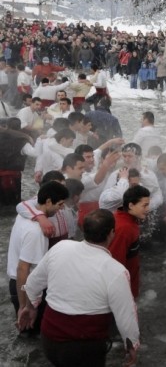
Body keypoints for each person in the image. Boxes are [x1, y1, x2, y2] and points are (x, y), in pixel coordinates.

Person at [18, 209, 139, 367]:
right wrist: (131, 345)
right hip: (84, 348)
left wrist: (30, 307)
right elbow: (126, 315)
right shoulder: (116, 270)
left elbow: (33, 282)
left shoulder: (61, 247)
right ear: (111, 233)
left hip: (49, 341)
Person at [6, 181, 69, 333]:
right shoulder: (36, 231)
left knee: (28, 335)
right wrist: (26, 306)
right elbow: (23, 269)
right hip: (24, 288)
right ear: (48, 201)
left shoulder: (26, 215)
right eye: (60, 205)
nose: (62, 209)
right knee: (33, 333)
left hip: (19, 286)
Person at [109, 185, 150, 298]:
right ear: (131, 205)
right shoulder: (124, 228)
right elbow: (115, 263)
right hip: (123, 287)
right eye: (145, 205)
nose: (148, 209)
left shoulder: (124, 218)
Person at [0, 117, 37, 205]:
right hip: (12, 174)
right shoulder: (22, 139)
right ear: (20, 127)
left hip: (3, 172)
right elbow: (34, 153)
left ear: (6, 126)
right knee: (12, 200)